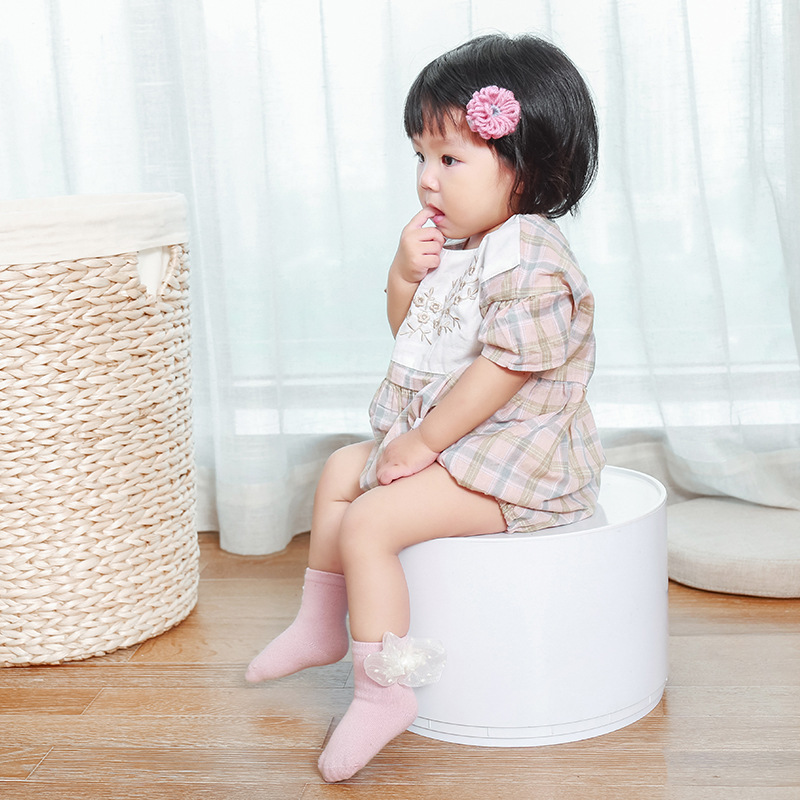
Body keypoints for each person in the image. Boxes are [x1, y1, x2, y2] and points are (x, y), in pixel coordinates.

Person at [245, 32, 605, 782]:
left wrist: (424, 442)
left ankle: (385, 689)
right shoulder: (470, 245)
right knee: (343, 469)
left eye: (449, 160)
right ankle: (321, 625)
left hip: (521, 465)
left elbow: (505, 369)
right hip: (470, 444)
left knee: (374, 516)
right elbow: (420, 339)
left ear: (527, 167)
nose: (426, 181)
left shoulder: (531, 256)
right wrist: (403, 277)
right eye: (419, 157)